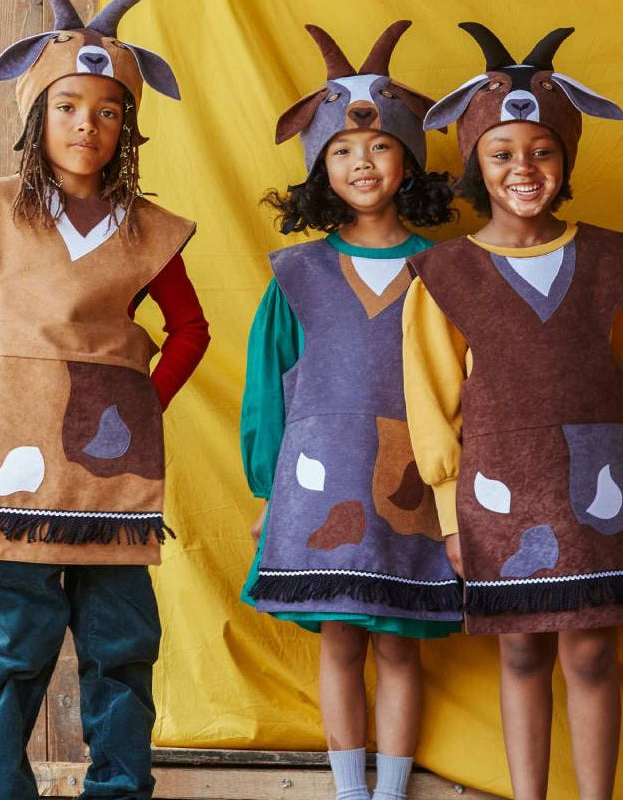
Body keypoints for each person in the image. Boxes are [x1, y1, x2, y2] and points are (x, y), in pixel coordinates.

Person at [0, 2, 209, 798]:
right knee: (11, 647)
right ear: (37, 113)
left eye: (109, 111)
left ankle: (118, 789)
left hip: (109, 481)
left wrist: (142, 408)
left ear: (129, 126)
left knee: (120, 645)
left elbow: (190, 329)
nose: (89, 125)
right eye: (69, 107)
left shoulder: (148, 230)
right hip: (4, 475)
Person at [240, 21, 461, 800]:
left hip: (410, 490)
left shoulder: (445, 270)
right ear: (318, 165)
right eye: (342, 150)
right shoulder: (298, 272)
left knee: (401, 646)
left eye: (378, 148)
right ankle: (347, 791)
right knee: (339, 640)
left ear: (408, 160)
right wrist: (269, 490)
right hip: (316, 486)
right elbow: (268, 383)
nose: (361, 163)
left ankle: (391, 791)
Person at [403, 23, 623, 800]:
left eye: (541, 152)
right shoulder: (444, 272)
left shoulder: (612, 258)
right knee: (522, 650)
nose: (522, 170)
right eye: (501, 154)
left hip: (601, 487)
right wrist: (450, 516)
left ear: (565, 162)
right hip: (496, 490)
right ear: (475, 165)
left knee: (593, 652)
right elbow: (429, 399)